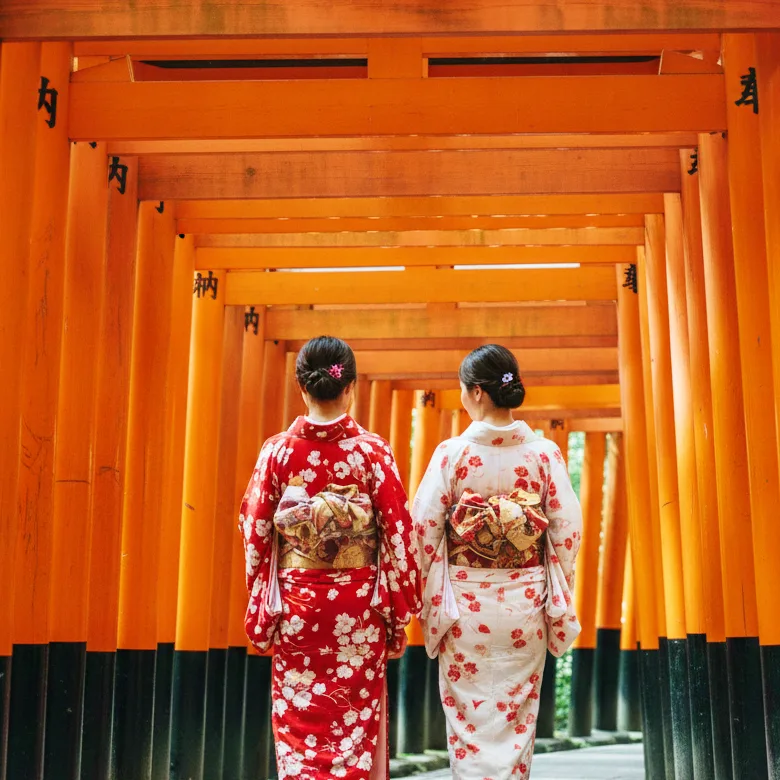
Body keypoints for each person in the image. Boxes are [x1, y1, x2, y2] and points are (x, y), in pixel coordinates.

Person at [239, 335, 421, 780]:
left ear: (302, 389)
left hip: (298, 604)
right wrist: (399, 614)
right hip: (357, 610)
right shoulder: (372, 452)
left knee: (299, 720)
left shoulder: (277, 452)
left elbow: (256, 532)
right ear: (351, 387)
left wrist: (264, 601)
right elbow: (399, 534)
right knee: (351, 721)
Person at [412, 345, 582, 780]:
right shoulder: (544, 454)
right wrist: (557, 588)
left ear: (478, 393)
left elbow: (424, 531)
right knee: (516, 715)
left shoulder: (452, 454)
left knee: (467, 717)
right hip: (525, 603)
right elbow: (566, 531)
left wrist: (424, 591)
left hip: (465, 607)